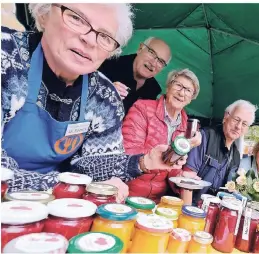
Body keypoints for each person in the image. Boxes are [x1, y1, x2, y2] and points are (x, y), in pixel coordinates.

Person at [1, 3, 184, 202]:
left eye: (105, 36)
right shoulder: (6, 57)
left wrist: (142, 162)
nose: (89, 40)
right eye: (76, 19)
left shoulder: (104, 97)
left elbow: (94, 164)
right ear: (44, 14)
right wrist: (80, 186)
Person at [122, 69, 201, 202]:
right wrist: (169, 155)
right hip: (127, 192)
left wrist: (182, 175)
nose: (182, 93)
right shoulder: (142, 108)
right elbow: (128, 153)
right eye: (178, 85)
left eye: (188, 90)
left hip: (157, 200)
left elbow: (171, 167)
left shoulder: (185, 126)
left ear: (191, 99)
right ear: (168, 86)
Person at [183, 100, 258, 204]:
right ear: (226, 117)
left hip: (213, 210)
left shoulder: (236, 155)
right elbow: (186, 181)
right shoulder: (205, 137)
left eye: (244, 124)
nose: (238, 126)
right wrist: (188, 212)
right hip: (192, 206)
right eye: (236, 119)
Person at [99, 37, 171, 115]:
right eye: (152, 53)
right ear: (140, 49)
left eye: (161, 61)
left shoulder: (153, 90)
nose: (153, 63)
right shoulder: (109, 65)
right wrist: (105, 91)